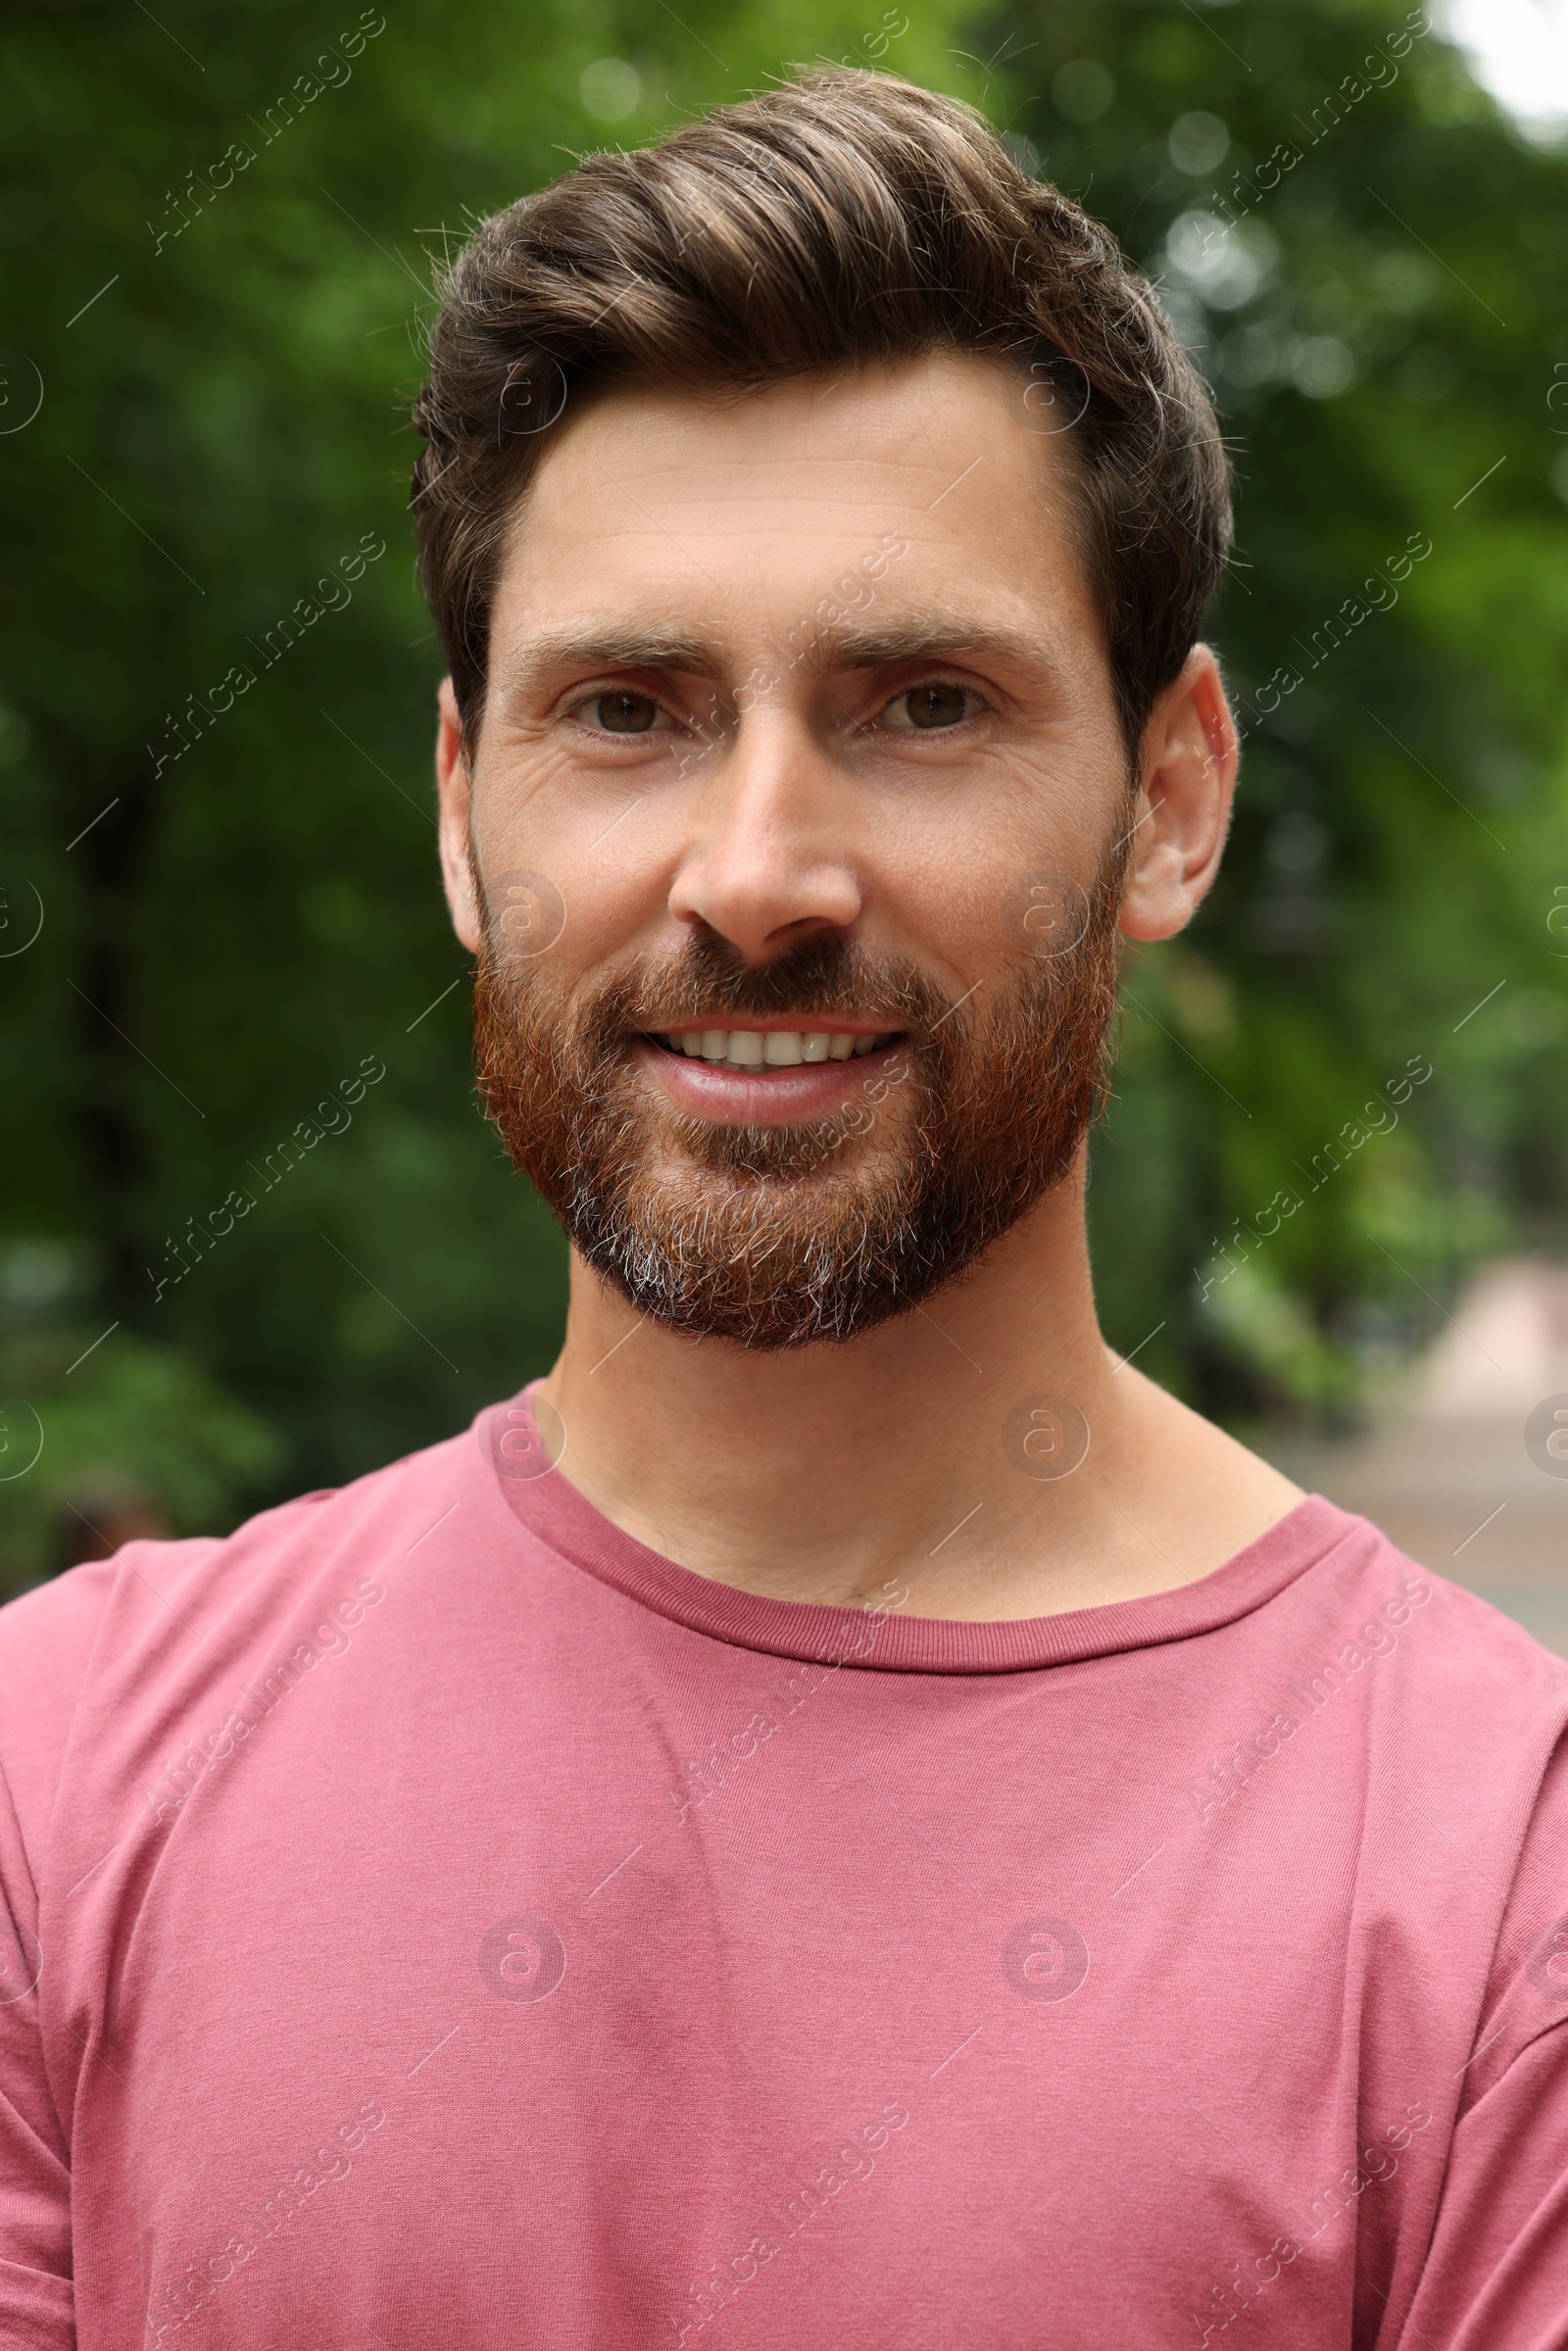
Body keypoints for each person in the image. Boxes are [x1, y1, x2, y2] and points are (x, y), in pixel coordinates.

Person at [2, 68, 1564, 2351]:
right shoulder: (60, 1789)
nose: (754, 878)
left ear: (1170, 798)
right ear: (461, 811)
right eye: (625, 712)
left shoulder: (1491, 1894)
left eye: (920, 705)